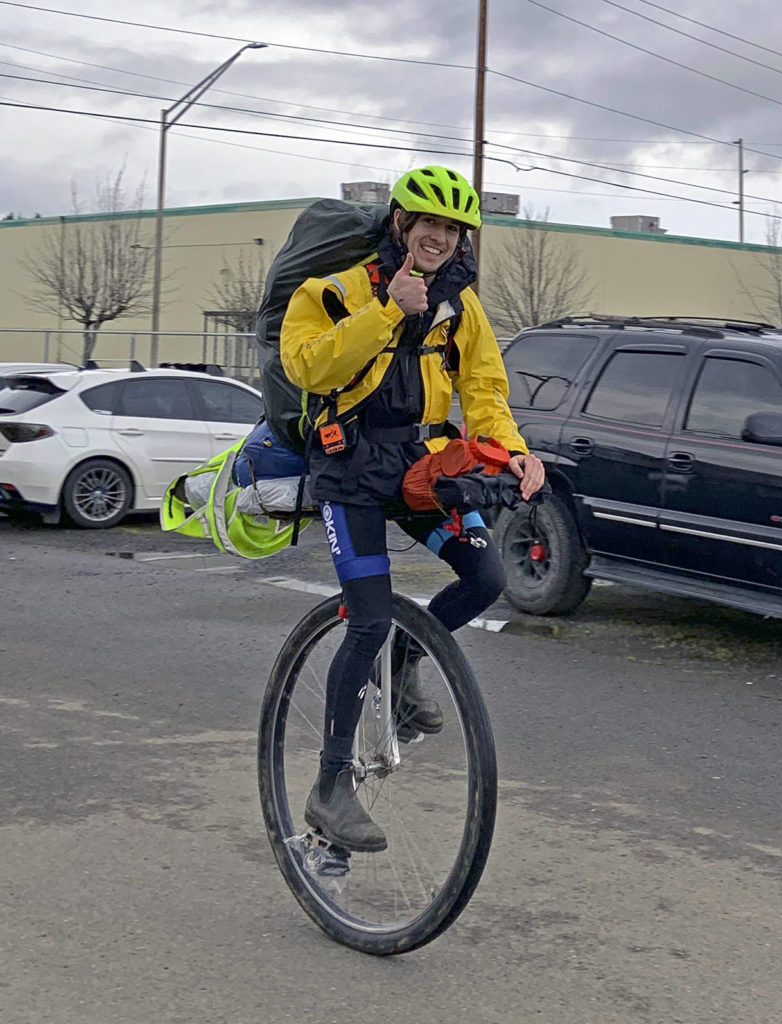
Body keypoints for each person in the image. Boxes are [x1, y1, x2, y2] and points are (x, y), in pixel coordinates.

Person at [280, 165, 544, 852]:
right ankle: (331, 785)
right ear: (400, 223)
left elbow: (484, 389)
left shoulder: (463, 304)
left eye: (452, 229)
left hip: (422, 471)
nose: (439, 237)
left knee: (487, 579)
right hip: (349, 473)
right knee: (365, 622)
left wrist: (512, 451)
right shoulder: (334, 291)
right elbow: (308, 368)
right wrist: (389, 308)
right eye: (428, 223)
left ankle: (403, 667)